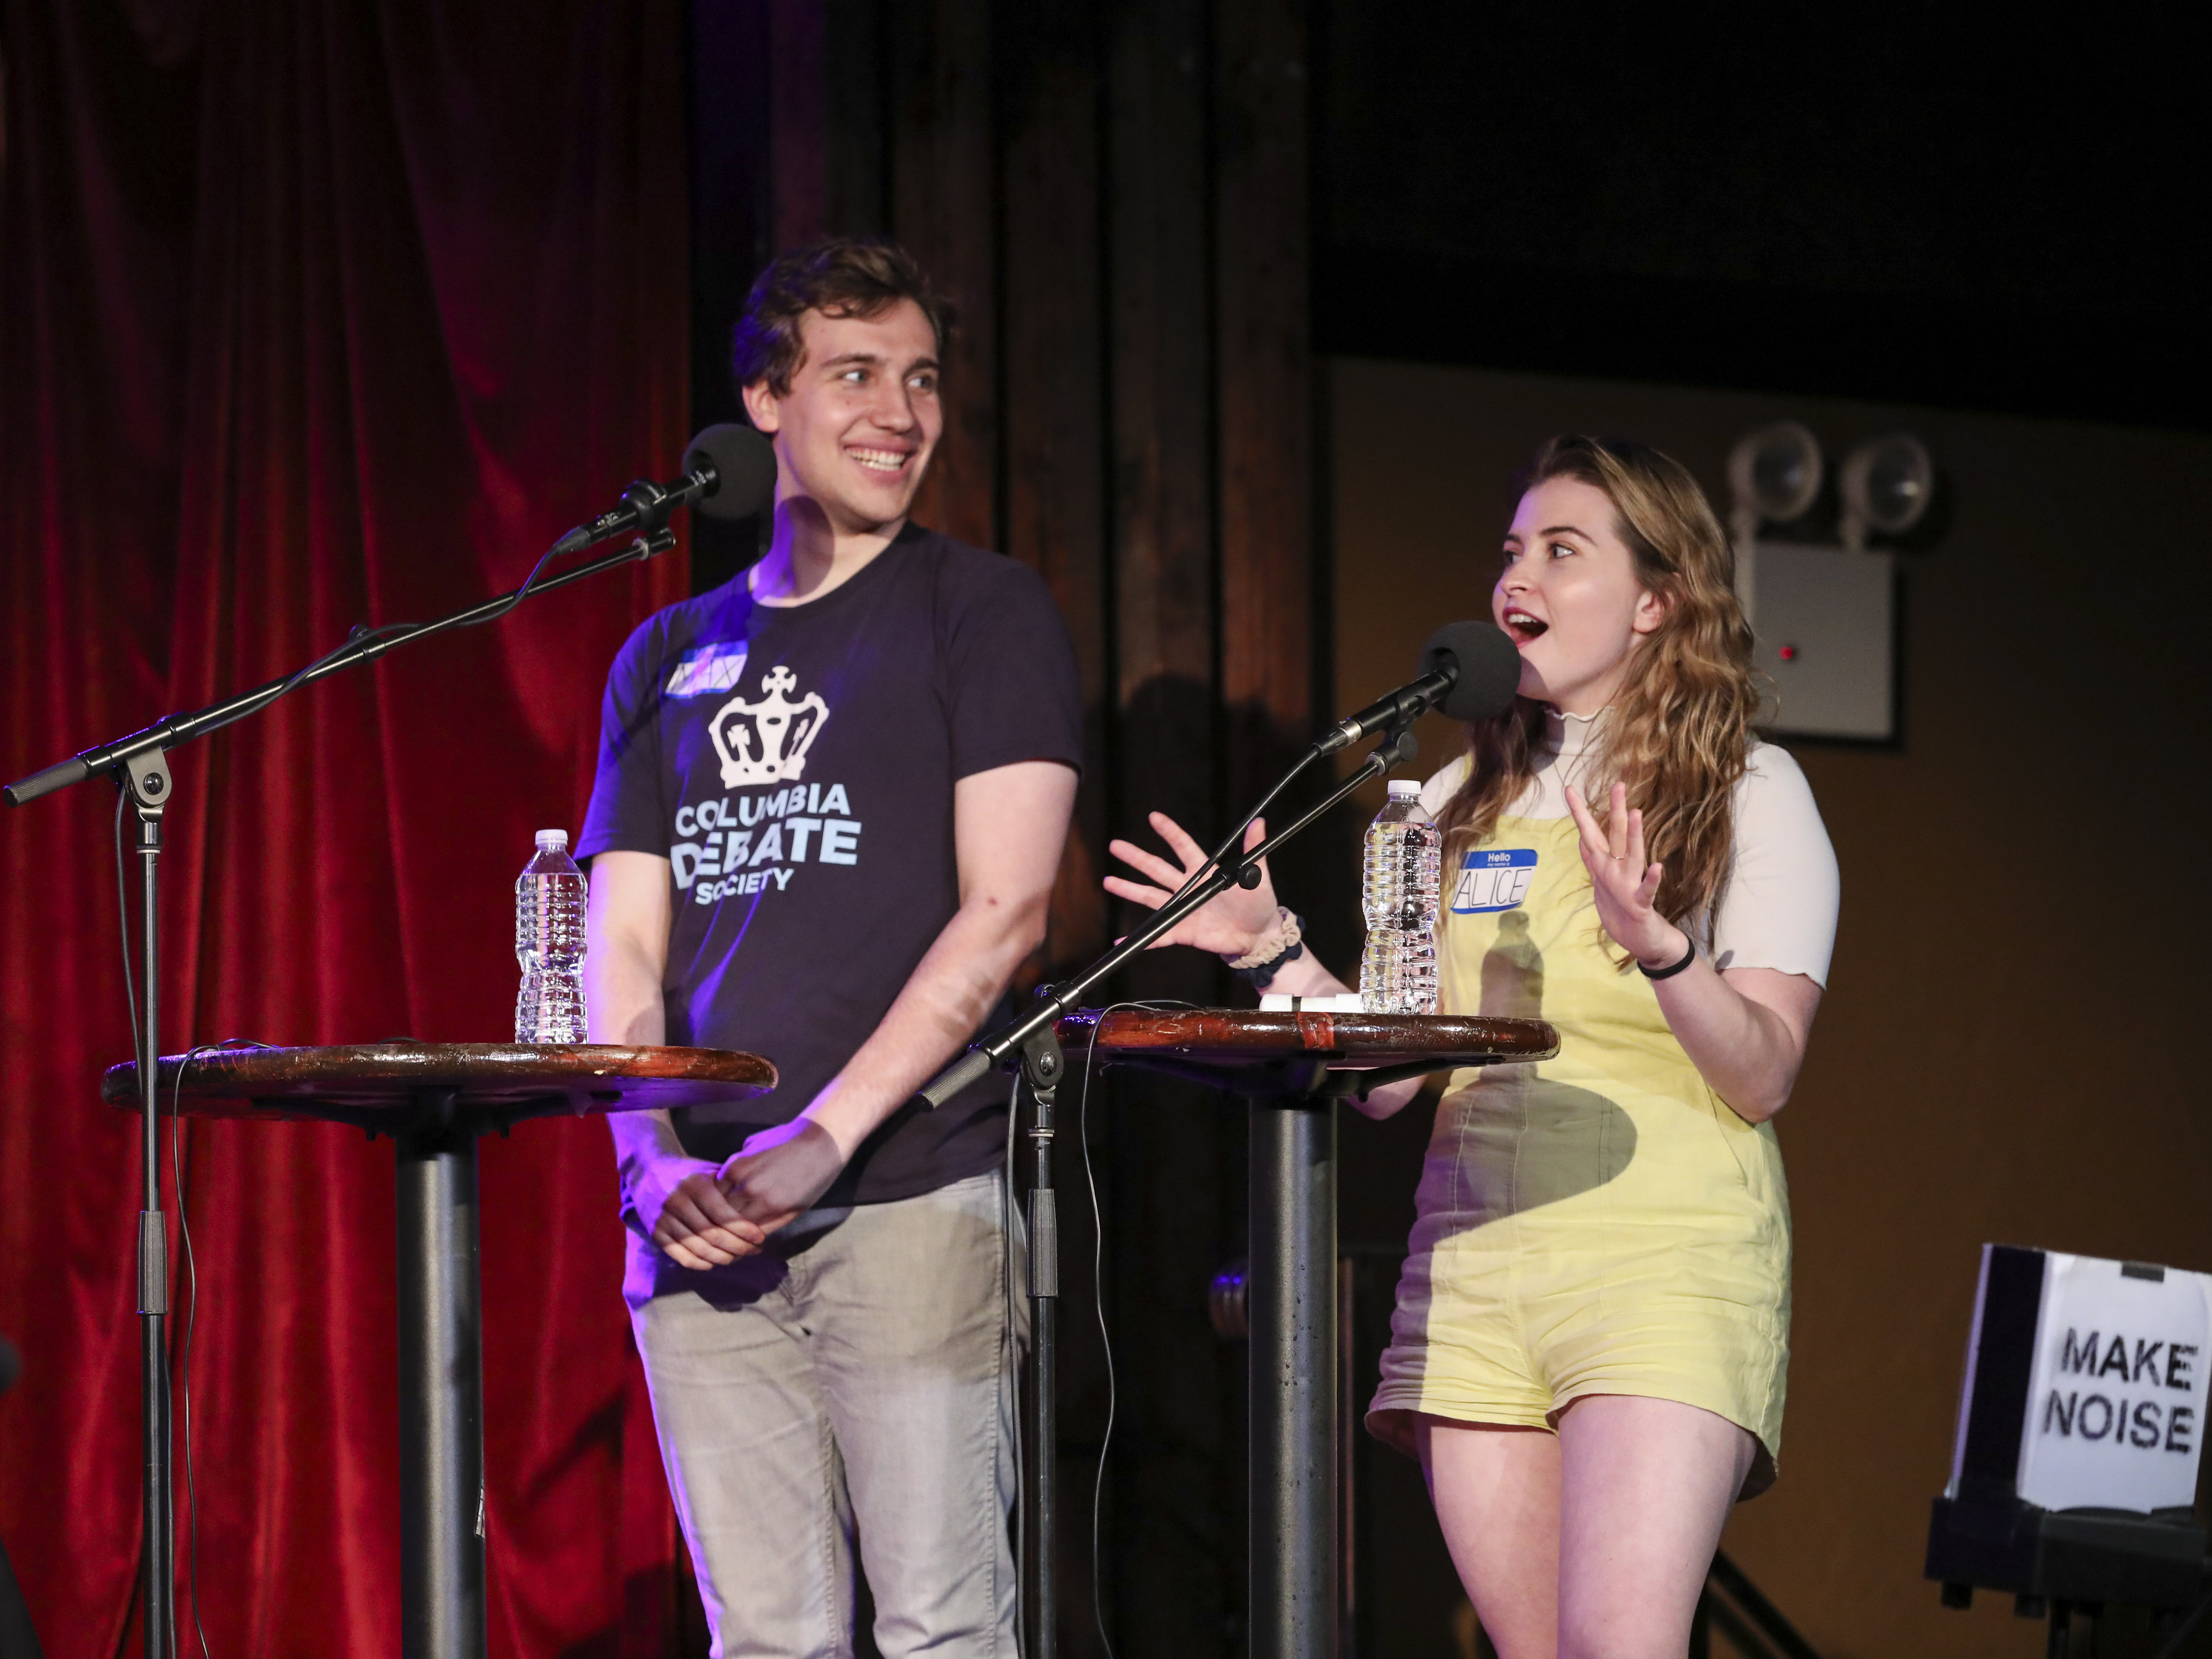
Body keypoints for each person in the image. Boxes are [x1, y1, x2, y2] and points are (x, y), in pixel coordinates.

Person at [1105, 435, 1838, 1659]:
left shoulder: (1749, 789)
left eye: (1562, 550)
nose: (1517, 580)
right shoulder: (1447, 803)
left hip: (1662, 1265)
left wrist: (1661, 951)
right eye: (1510, 551)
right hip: (1478, 1273)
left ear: (1657, 600)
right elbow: (1392, 1084)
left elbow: (1760, 1073)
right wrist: (1269, 947)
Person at [578, 239, 1083, 1659]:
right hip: (696, 1217)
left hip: (909, 1197)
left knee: (941, 1630)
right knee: (768, 1637)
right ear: (764, 399)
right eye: (854, 373)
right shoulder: (664, 652)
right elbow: (618, 938)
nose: (899, 413)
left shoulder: (979, 610)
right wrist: (650, 1156)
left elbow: (1006, 916)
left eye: (920, 380)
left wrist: (822, 1136)